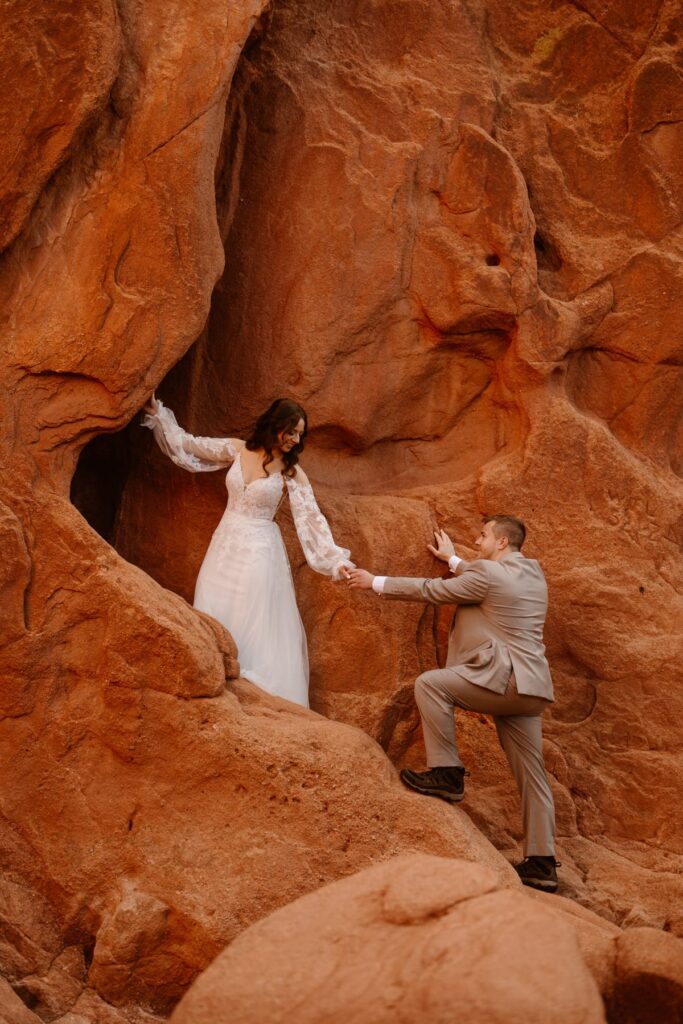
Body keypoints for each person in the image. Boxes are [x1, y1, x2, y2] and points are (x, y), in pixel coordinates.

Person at [346, 516, 559, 893]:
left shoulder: (491, 575)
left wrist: (374, 581)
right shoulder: (533, 577)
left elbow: (433, 590)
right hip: (532, 690)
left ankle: (447, 773)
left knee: (430, 685)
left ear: (503, 542)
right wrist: (454, 560)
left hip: (503, 679)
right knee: (533, 775)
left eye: (483, 536)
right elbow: (482, 579)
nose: (478, 542)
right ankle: (542, 863)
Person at [142, 395, 353, 707]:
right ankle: (212, 689)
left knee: (251, 617)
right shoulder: (238, 449)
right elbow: (190, 445)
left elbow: (312, 522)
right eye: (291, 432)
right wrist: (159, 415)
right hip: (224, 544)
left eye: (300, 434)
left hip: (259, 552)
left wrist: (337, 562)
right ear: (275, 425)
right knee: (214, 607)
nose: (295, 440)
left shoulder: (292, 474)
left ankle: (253, 703)